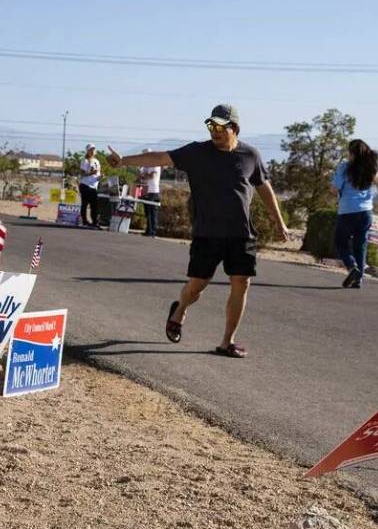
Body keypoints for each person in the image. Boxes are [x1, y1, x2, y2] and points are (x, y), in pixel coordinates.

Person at [108, 104, 289, 358]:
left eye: (219, 127)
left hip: (241, 234)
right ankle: (180, 309)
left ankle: (227, 342)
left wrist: (279, 221)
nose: (214, 131)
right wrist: (123, 161)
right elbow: (161, 158)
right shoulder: (197, 152)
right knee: (196, 287)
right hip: (208, 233)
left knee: (241, 283)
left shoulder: (251, 155)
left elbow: (264, 188)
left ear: (234, 129)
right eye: (210, 126)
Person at [331, 139, 378, 288]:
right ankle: (359, 279)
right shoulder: (371, 168)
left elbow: (334, 187)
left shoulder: (345, 167)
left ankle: (352, 267)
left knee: (340, 241)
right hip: (366, 212)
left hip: (348, 211)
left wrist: (338, 194)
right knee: (360, 245)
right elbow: (375, 188)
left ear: (352, 153)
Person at [138, 150, 161, 236]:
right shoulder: (145, 165)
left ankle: (152, 232)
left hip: (153, 191)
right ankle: (148, 230)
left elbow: (152, 176)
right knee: (147, 213)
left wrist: (143, 176)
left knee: (152, 212)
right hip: (145, 190)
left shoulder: (155, 164)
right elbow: (141, 175)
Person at [78, 143, 101, 228]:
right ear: (87, 151)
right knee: (85, 204)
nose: (92, 151)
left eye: (93, 149)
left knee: (94, 205)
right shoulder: (85, 160)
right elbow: (82, 173)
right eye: (91, 149)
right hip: (85, 185)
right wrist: (91, 173)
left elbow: (97, 174)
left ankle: (94, 221)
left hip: (94, 186)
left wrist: (100, 177)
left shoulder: (97, 161)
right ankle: (84, 221)